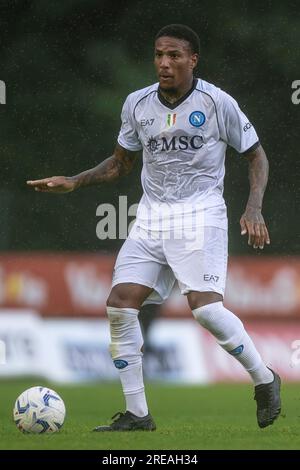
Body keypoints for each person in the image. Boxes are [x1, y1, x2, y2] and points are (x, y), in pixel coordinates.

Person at [27, 24, 281, 431]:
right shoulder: (137, 104)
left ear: (192, 60)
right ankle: (137, 414)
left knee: (208, 311)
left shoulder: (217, 102)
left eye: (175, 55)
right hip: (151, 218)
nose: (165, 62)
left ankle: (265, 378)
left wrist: (254, 208)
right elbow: (119, 164)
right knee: (119, 303)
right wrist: (75, 180)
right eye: (160, 54)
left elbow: (257, 156)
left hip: (200, 215)